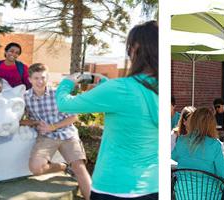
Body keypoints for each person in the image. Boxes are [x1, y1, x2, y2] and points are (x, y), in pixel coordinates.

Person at [55, 21, 158, 199]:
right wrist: (107, 87)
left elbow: (64, 103)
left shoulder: (120, 88)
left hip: (114, 186)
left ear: (136, 47)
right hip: (153, 186)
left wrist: (67, 82)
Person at [21, 63, 92, 199]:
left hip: (67, 133)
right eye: (36, 78)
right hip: (46, 137)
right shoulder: (25, 97)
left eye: (43, 77)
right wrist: (35, 122)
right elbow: (19, 120)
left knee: (79, 168)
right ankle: (63, 167)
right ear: (29, 79)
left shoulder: (58, 94)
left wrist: (53, 126)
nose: (40, 81)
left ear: (47, 77)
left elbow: (74, 117)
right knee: (36, 168)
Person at [171, 107, 224, 199]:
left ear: (193, 121)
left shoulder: (181, 140)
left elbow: (173, 157)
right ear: (211, 125)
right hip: (209, 196)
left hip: (183, 195)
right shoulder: (214, 144)